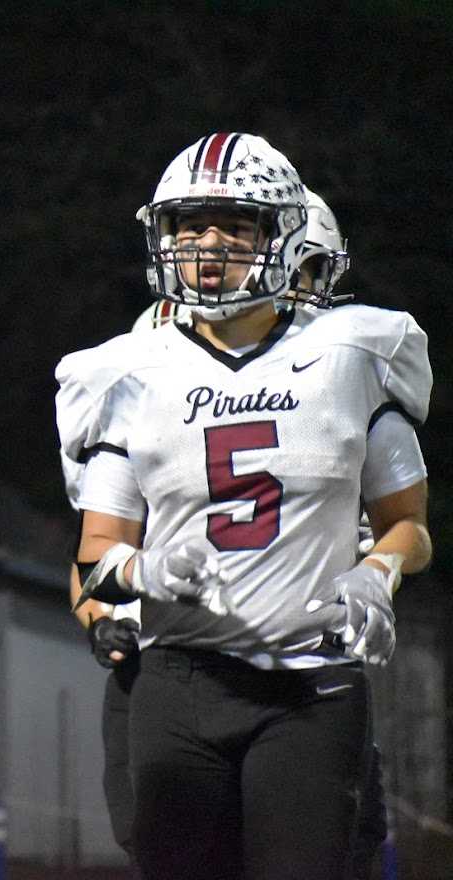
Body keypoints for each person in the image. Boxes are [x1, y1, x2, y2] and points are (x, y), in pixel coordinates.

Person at [56, 133, 431, 879]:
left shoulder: (355, 352)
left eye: (236, 225)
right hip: (179, 681)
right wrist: (141, 571)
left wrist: (378, 573)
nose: (209, 245)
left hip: (311, 680)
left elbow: (409, 527)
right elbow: (93, 560)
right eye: (190, 226)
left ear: (283, 235)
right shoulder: (125, 370)